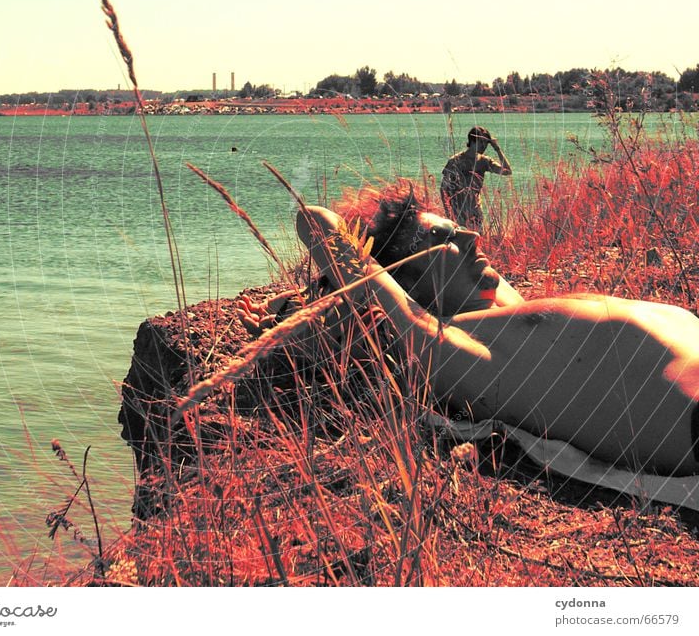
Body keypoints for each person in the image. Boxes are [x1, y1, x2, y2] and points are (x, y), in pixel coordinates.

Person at [238, 182, 699, 476]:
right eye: (445, 239)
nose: (474, 238)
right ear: (406, 279)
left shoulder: (512, 314)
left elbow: (500, 294)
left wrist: (303, 301)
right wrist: (329, 296)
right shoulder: (451, 348)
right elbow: (315, 222)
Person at [440, 126, 512, 231]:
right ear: (472, 142)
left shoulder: (484, 161)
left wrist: (497, 149)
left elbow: (507, 171)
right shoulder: (456, 161)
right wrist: (448, 211)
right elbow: (443, 188)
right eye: (481, 142)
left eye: (486, 144)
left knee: (478, 241)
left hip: (476, 211)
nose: (484, 146)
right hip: (457, 212)